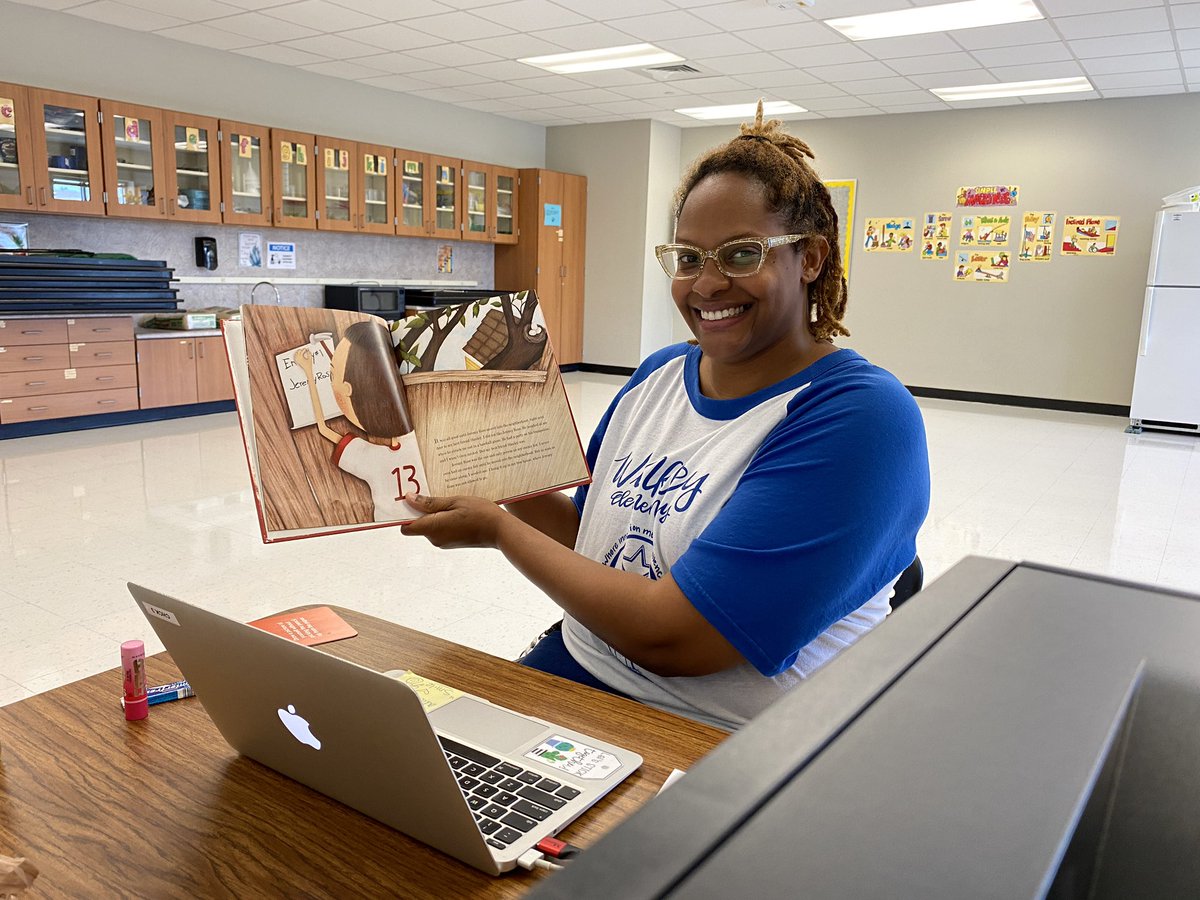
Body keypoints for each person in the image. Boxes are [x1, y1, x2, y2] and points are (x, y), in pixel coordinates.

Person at [401, 104, 930, 731]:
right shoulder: (658, 375)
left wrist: (499, 531)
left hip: (712, 733)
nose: (706, 284)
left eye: (741, 255)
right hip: (583, 665)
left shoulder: (860, 418)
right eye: (688, 258)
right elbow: (588, 543)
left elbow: (678, 642)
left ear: (810, 259)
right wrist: (483, 457)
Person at [293, 321, 426, 522]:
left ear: (348, 389)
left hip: (386, 530)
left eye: (331, 375)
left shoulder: (371, 458)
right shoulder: (417, 441)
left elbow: (323, 428)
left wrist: (309, 373)